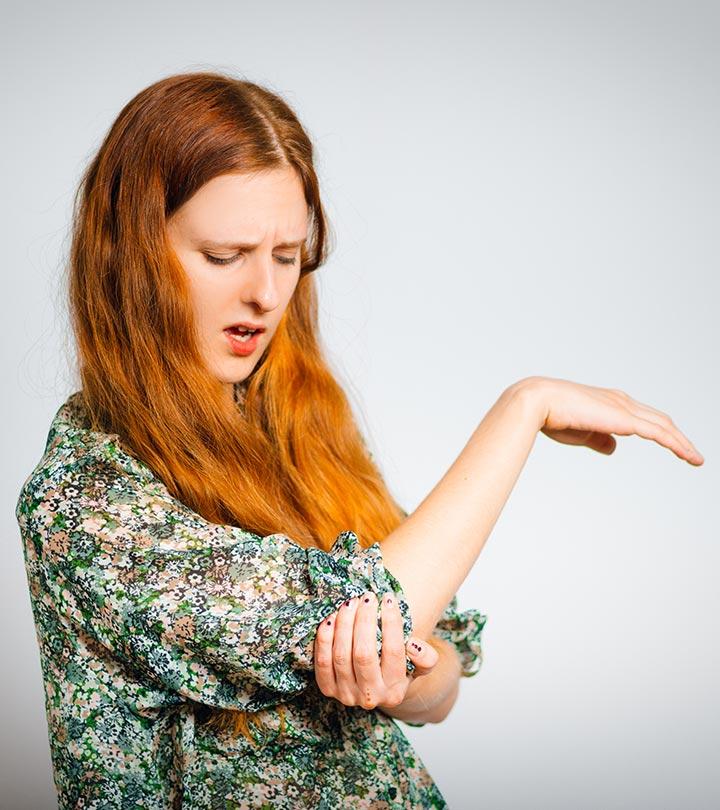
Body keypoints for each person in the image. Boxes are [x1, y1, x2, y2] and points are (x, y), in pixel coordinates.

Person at [15, 71, 704, 810]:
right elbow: (369, 605)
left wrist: (401, 676)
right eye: (225, 255)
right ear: (131, 255)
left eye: (286, 256)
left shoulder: (290, 425)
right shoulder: (82, 499)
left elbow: (443, 657)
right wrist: (522, 409)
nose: (266, 293)